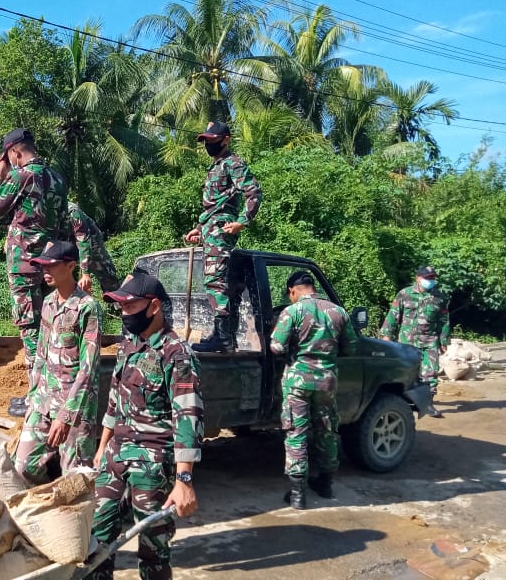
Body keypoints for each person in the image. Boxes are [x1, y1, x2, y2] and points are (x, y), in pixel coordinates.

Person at [90, 272, 203, 580]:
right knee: (96, 538)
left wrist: (184, 479)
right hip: (115, 456)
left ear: (153, 307)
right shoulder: (128, 345)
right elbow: (115, 400)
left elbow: (187, 418)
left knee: (152, 549)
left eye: (130, 306)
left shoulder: (175, 353)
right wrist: (102, 447)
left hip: (153, 463)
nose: (124, 314)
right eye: (121, 308)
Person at [12, 241, 102, 484]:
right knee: (22, 467)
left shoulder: (87, 308)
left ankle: (76, 518)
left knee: (75, 479)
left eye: (51, 266)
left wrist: (66, 416)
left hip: (74, 409)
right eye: (43, 267)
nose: (46, 272)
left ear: (71, 266)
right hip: (43, 401)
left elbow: (88, 369)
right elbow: (40, 355)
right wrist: (32, 398)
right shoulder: (49, 303)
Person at [269, 271, 358, 510]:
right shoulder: (338, 311)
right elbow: (351, 348)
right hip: (327, 382)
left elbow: (276, 347)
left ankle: (298, 494)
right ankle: (326, 484)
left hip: (298, 382)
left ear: (293, 290)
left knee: (296, 431)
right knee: (327, 429)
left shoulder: (293, 311)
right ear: (312, 287)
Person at [0, 128, 71, 373]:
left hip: (23, 264)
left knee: (29, 326)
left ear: (14, 152)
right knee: (51, 321)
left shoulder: (21, 176)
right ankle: (56, 383)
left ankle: (37, 390)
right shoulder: (57, 177)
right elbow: (65, 224)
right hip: (53, 263)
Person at [183, 121, 262, 353]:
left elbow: (253, 191)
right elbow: (214, 204)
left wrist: (242, 221)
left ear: (225, 139)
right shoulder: (216, 166)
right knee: (214, 280)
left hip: (220, 228)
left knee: (214, 281)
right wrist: (199, 227)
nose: (208, 144)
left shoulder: (233, 163)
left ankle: (222, 337)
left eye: (212, 139)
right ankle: (223, 336)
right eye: (206, 140)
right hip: (210, 226)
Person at [379, 265, 450, 418]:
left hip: (430, 341)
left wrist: (443, 340)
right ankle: (402, 402)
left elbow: (444, 321)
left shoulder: (439, 297)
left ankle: (428, 404)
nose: (431, 281)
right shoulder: (405, 294)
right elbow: (393, 315)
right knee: (405, 374)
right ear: (418, 278)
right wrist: (386, 336)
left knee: (430, 373)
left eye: (433, 278)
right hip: (407, 342)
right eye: (427, 278)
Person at [69, 202, 121, 294]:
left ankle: (117, 301)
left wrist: (85, 273)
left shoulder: (72, 211)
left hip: (92, 242)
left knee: (106, 275)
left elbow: (83, 241)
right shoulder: (42, 208)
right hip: (70, 242)